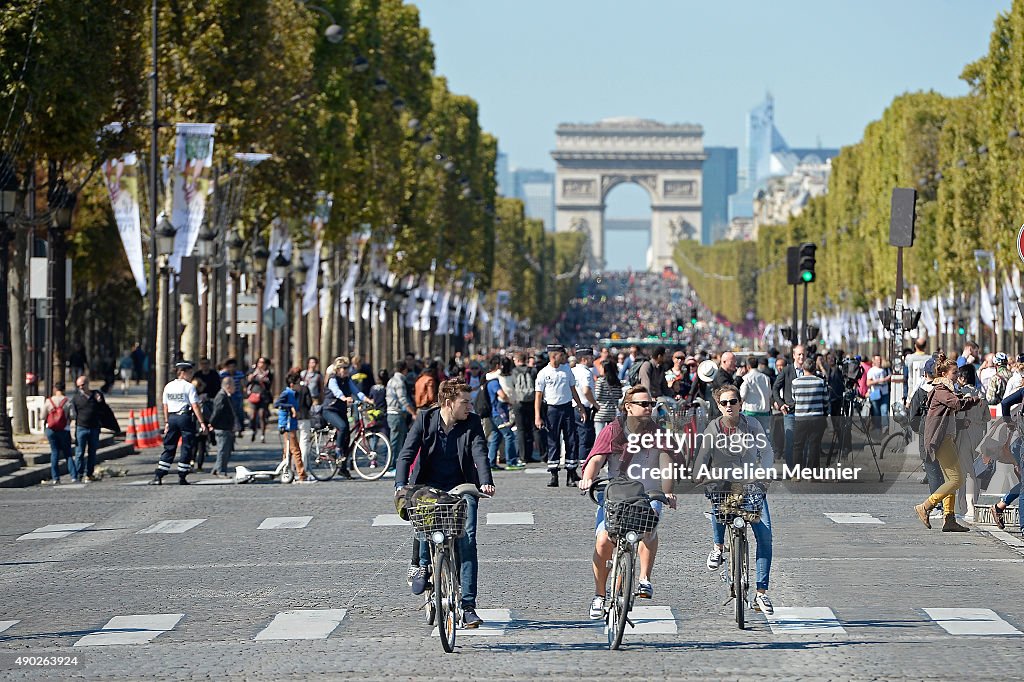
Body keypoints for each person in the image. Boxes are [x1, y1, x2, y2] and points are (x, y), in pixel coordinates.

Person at [395, 379, 495, 629]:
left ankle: (468, 605)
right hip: (428, 487)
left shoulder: (472, 423)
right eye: (465, 402)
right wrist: (400, 483)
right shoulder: (425, 419)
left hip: (462, 488)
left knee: (467, 538)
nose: (470, 407)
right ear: (449, 403)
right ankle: (421, 565)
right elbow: (407, 453)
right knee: (421, 518)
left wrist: (485, 482)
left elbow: (479, 452)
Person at [578, 386, 677, 616]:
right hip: (617, 494)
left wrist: (668, 490)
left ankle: (644, 578)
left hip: (648, 493)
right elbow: (596, 458)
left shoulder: (658, 432)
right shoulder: (613, 430)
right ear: (628, 407)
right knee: (603, 541)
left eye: (651, 405)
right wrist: (588, 478)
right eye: (643, 404)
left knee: (648, 529)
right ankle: (599, 595)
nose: (648, 408)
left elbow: (666, 463)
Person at [692, 384, 776, 615]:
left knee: (765, 537)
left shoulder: (753, 425)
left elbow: (766, 451)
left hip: (751, 485)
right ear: (719, 406)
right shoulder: (714, 428)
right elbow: (703, 455)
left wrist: (766, 472)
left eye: (733, 401)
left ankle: (762, 593)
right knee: (716, 500)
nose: (729, 406)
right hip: (724, 483)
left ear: (740, 403)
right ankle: (718, 547)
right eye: (724, 402)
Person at [915, 354, 980, 532]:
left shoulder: (945, 390)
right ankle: (926, 506)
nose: (957, 376)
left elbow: (944, 417)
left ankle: (949, 518)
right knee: (957, 478)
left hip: (946, 438)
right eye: (954, 372)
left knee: (950, 479)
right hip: (941, 440)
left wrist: (960, 423)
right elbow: (957, 404)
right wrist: (974, 399)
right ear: (943, 373)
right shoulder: (941, 390)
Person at [534, 343, 587, 487]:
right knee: (553, 441)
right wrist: (537, 416)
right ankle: (554, 474)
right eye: (561, 355)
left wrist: (580, 407)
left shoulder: (567, 370)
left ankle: (571, 473)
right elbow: (538, 396)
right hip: (552, 410)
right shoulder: (543, 373)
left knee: (571, 440)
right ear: (553, 356)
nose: (564, 357)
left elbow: (573, 389)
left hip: (567, 408)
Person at [151, 362, 210, 485]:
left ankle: (159, 474)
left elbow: (165, 406)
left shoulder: (168, 386)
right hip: (185, 417)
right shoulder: (189, 387)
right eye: (190, 372)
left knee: (169, 446)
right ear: (182, 373)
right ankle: (182, 475)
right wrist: (202, 422)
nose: (191, 375)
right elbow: (195, 406)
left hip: (172, 418)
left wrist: (167, 421)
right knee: (187, 446)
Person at [322, 357, 373, 479]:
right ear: (337, 369)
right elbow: (335, 391)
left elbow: (356, 391)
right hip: (330, 409)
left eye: (347, 368)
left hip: (341, 410)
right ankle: (337, 451)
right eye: (343, 368)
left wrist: (367, 399)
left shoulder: (347, 380)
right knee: (343, 427)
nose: (345, 370)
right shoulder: (333, 379)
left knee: (347, 438)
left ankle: (343, 468)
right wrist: (344, 398)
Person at [485, 356, 524, 471]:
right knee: (509, 435)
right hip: (498, 412)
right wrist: (510, 401)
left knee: (496, 437)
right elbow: (502, 395)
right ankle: (511, 461)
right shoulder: (494, 382)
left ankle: (491, 463)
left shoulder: (490, 380)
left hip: (495, 411)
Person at [791, 358, 829, 472]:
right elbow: (826, 400)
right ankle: (811, 473)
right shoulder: (820, 382)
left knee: (798, 445)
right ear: (814, 369)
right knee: (814, 444)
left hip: (801, 418)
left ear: (803, 368)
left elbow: (794, 398)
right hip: (817, 418)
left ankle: (796, 473)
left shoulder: (795, 382)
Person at [70, 375, 106, 482]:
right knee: (79, 452)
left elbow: (103, 410)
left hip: (94, 428)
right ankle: (78, 473)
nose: (81, 388)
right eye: (78, 386)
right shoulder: (76, 398)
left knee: (92, 452)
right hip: (81, 427)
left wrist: (100, 401)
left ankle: (89, 473)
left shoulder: (96, 395)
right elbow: (74, 413)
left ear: (87, 384)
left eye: (82, 385)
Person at [275, 372, 307, 482]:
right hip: (287, 425)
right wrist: (291, 407)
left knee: (287, 450)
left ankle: (286, 472)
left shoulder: (294, 394)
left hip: (292, 424)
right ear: (292, 384)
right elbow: (277, 404)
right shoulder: (286, 393)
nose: (300, 385)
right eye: (298, 383)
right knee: (295, 449)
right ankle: (302, 474)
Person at [386, 361, 417, 469]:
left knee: (395, 439)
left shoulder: (391, 380)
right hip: (397, 413)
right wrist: (412, 412)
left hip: (390, 412)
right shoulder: (399, 382)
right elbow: (403, 399)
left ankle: (393, 464)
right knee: (397, 441)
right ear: (405, 370)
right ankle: (391, 465)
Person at [43, 381, 75, 484]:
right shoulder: (67, 401)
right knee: (68, 454)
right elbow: (73, 416)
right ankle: (74, 476)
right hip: (64, 429)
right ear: (64, 389)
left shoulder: (49, 401)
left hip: (51, 429)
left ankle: (55, 478)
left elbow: (42, 416)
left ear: (54, 389)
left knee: (54, 452)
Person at [571, 348, 598, 465]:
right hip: (584, 408)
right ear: (584, 359)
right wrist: (595, 404)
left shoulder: (572, 371)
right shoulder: (586, 372)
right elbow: (586, 390)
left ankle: (573, 467)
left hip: (573, 407)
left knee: (574, 438)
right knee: (585, 439)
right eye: (591, 358)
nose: (593, 360)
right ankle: (585, 466)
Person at [209, 377, 240, 476]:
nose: (235, 387)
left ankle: (216, 468)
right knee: (223, 450)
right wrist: (211, 423)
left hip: (226, 427)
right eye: (233, 385)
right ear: (228, 385)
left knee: (224, 449)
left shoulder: (226, 396)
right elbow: (217, 412)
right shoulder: (221, 396)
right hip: (222, 427)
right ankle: (220, 470)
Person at [511, 352, 539, 462]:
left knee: (521, 429)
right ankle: (531, 453)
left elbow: (512, 385)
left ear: (517, 360)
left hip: (518, 402)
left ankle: (522, 456)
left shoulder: (514, 371)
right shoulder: (532, 370)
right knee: (532, 428)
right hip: (531, 401)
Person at [739, 357, 772, 434]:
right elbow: (769, 394)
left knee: (750, 435)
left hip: (750, 410)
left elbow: (742, 395)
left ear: (748, 366)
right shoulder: (766, 378)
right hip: (764, 410)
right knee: (763, 435)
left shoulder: (745, 378)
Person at [593, 358, 623, 438]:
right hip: (612, 412)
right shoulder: (617, 382)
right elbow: (620, 395)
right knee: (611, 436)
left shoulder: (600, 381)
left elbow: (597, 396)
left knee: (599, 436)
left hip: (601, 412)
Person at [246, 357, 274, 443]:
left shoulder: (269, 373)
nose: (261, 364)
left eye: (263, 362)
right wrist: (252, 377)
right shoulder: (253, 371)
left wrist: (264, 379)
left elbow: (269, 385)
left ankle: (262, 434)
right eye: (260, 362)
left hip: (263, 396)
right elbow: (248, 381)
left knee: (262, 415)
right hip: (254, 395)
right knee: (253, 415)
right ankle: (254, 430)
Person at [866, 355, 891, 434]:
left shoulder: (885, 369)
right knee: (876, 411)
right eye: (877, 360)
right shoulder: (871, 371)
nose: (879, 361)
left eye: (880, 360)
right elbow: (868, 383)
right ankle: (877, 426)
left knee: (884, 409)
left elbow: (890, 378)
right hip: (875, 392)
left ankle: (885, 426)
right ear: (873, 361)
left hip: (884, 392)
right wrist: (879, 380)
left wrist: (888, 379)